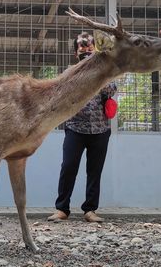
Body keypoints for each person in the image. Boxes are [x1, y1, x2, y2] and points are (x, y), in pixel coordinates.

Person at [47, 32, 116, 223]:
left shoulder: (105, 69)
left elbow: (112, 89)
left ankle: (90, 210)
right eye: (81, 46)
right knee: (68, 167)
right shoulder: (71, 70)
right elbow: (61, 91)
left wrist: (99, 73)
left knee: (95, 170)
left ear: (96, 49)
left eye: (89, 46)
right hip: (75, 127)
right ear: (76, 52)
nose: (85, 49)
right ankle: (62, 209)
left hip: (100, 129)